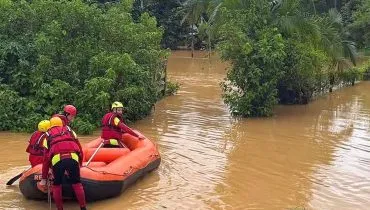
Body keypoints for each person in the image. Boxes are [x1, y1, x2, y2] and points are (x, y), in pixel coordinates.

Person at [38, 117, 87, 210]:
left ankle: (60, 208)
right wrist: (80, 164)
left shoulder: (47, 135)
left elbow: (45, 160)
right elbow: (80, 149)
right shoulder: (70, 130)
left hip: (57, 160)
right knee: (77, 183)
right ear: (61, 124)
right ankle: (83, 207)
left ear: (50, 125)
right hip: (73, 157)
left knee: (57, 185)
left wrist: (44, 178)